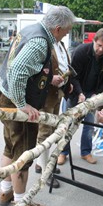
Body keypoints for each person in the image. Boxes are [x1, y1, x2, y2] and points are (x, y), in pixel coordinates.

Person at [0, 5, 75, 206]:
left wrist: (48, 81)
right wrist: (22, 104)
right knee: (23, 156)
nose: (65, 36)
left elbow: (26, 70)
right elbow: (17, 72)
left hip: (5, 97)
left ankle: (5, 194)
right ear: (57, 28)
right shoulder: (40, 42)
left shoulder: (32, 29)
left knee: (10, 149)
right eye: (66, 32)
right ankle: (22, 203)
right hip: (17, 103)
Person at [57, 28, 103, 165]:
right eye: (99, 45)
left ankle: (86, 152)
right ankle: (62, 152)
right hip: (74, 91)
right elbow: (73, 75)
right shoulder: (81, 51)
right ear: (94, 41)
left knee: (89, 124)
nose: (101, 49)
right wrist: (79, 93)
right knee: (67, 123)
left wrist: (97, 94)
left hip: (92, 93)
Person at [35, 40, 73, 189]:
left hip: (57, 93)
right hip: (46, 94)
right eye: (66, 29)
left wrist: (68, 82)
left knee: (51, 131)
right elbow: (34, 69)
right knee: (45, 132)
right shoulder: (44, 44)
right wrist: (50, 79)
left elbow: (63, 65)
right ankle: (46, 172)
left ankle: (40, 164)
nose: (67, 32)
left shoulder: (61, 44)